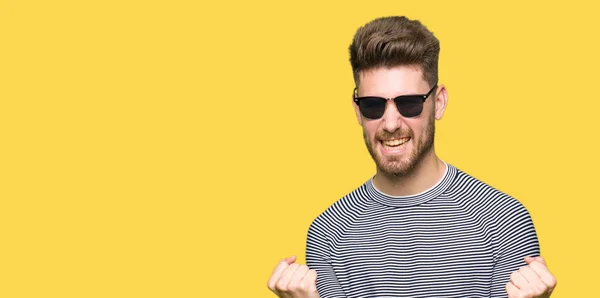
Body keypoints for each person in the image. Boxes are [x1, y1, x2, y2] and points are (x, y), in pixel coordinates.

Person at [267, 16, 557, 298]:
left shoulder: (503, 220)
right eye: (372, 105)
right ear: (357, 110)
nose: (391, 123)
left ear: (438, 102)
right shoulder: (328, 233)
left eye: (408, 103)